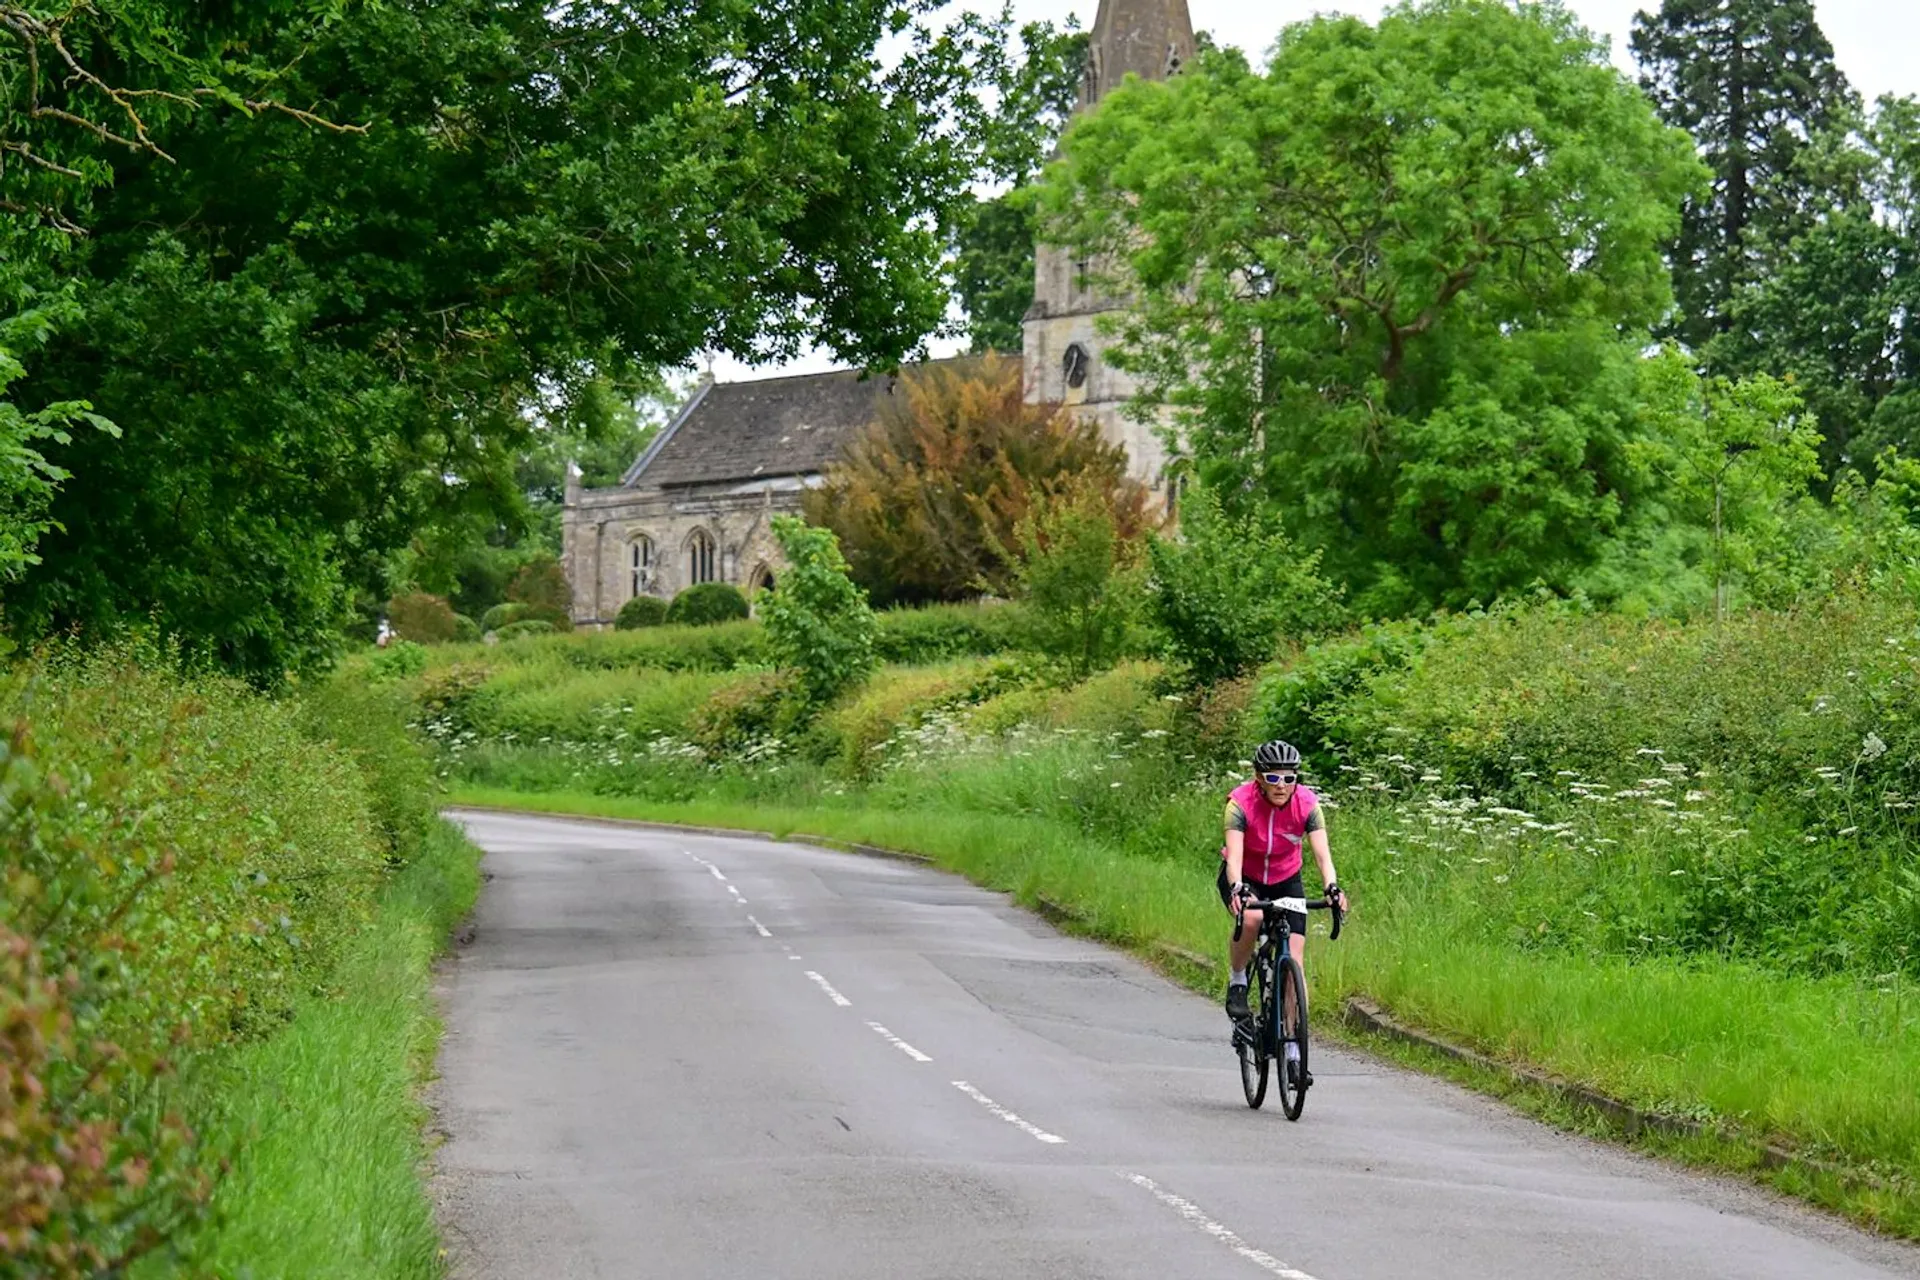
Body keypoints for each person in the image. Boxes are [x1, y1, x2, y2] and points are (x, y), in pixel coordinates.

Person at [1219, 740, 1349, 1077]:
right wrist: (1237, 887)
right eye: (1273, 778)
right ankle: (1237, 982)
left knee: (1295, 959)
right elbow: (1233, 858)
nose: (1281, 786)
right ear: (1258, 777)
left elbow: (1323, 856)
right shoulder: (1239, 804)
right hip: (1247, 878)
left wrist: (1332, 888)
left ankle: (1292, 1049)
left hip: (1286, 880)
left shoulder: (1308, 805)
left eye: (1288, 779)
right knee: (1252, 918)